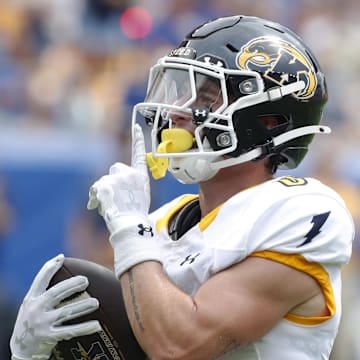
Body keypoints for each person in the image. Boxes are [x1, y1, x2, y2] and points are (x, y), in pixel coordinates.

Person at [10, 15, 354, 360]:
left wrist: (130, 229)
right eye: (182, 93)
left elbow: (180, 345)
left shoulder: (300, 211)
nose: (177, 113)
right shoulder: (160, 224)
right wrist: (32, 355)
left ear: (267, 120)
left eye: (206, 97)